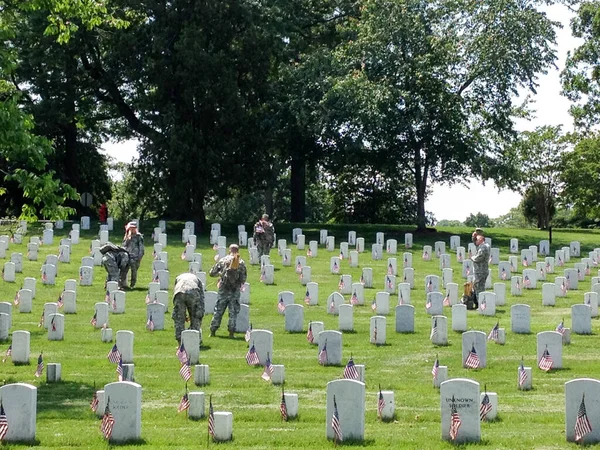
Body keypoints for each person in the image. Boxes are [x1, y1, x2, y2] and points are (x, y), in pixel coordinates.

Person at [209, 244, 247, 337]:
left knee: (218, 310)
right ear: (238, 251)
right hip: (234, 291)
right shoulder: (241, 262)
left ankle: (213, 331)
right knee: (233, 312)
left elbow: (211, 273)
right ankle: (231, 332)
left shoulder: (223, 260)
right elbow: (243, 278)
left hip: (223, 290)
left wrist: (220, 274)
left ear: (229, 250)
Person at [172, 272, 205, 345]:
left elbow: (175, 292)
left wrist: (182, 313)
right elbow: (201, 298)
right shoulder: (197, 279)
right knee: (195, 317)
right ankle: (195, 341)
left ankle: (180, 343)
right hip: (192, 291)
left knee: (179, 318)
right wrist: (200, 313)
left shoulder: (178, 277)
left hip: (179, 292)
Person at [121, 221, 145, 288]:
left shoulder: (139, 236)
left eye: (133, 228)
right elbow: (123, 246)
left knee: (134, 271)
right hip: (127, 256)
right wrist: (128, 238)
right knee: (124, 270)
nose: (132, 229)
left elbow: (141, 248)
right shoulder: (127, 236)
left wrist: (140, 257)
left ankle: (132, 284)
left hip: (135, 257)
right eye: (131, 228)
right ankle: (123, 284)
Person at [471, 228, 490, 307]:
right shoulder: (483, 245)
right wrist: (473, 238)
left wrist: (472, 257)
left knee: (479, 288)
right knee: (478, 287)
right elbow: (475, 243)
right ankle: (479, 303)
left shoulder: (483, 247)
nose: (476, 240)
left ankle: (481, 305)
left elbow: (479, 257)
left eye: (477, 237)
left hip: (480, 271)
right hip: (481, 270)